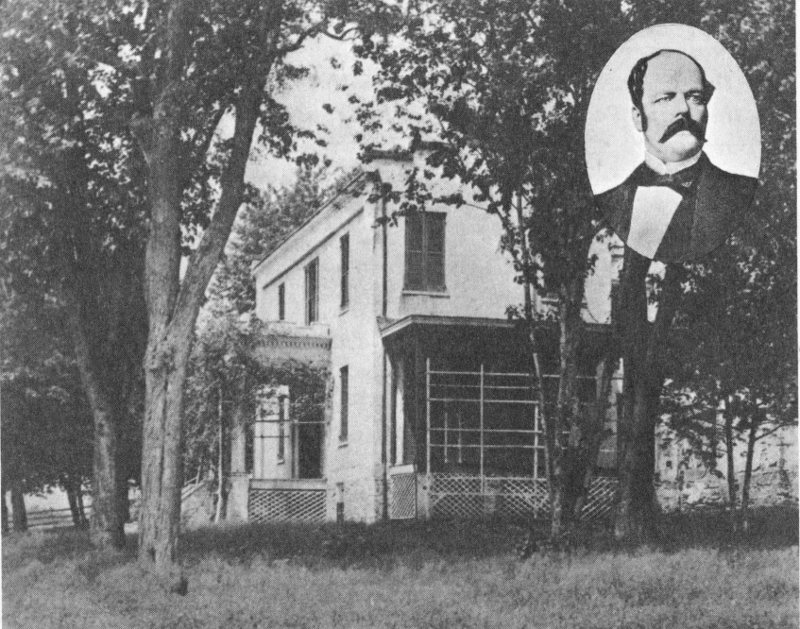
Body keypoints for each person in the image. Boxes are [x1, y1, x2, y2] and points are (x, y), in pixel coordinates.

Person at [594, 49, 758, 262]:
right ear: (638, 117)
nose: (683, 109)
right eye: (665, 98)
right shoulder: (605, 204)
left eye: (695, 98)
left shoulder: (746, 195)